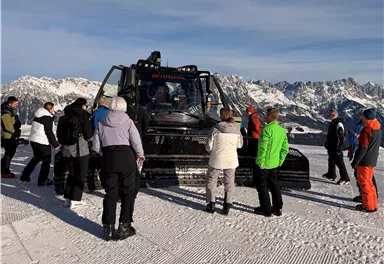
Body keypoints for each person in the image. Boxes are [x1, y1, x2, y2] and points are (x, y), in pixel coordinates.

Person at [93, 96, 145, 241]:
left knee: (110, 193)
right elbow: (136, 140)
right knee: (127, 193)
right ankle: (124, 227)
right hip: (126, 158)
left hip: (109, 159)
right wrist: (140, 154)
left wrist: (106, 153)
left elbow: (96, 146)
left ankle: (108, 228)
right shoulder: (128, 121)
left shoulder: (102, 122)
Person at [205, 107, 243, 215]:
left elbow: (208, 146)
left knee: (212, 179)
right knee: (229, 182)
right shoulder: (236, 130)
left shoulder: (215, 129)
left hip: (216, 158)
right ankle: (227, 204)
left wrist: (212, 150)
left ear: (221, 116)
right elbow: (239, 145)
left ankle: (211, 203)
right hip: (231, 160)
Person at [56, 98, 93, 209]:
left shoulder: (63, 117)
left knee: (71, 174)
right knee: (80, 175)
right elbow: (89, 135)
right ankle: (76, 199)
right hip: (80, 150)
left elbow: (59, 134)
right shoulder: (82, 116)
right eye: (86, 105)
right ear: (82, 106)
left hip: (66, 150)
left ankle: (67, 198)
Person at [254, 107, 289, 217]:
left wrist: (260, 162)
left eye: (266, 115)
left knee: (262, 186)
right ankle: (278, 208)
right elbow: (285, 148)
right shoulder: (282, 130)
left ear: (269, 117)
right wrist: (280, 160)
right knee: (274, 185)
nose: (264, 117)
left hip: (265, 163)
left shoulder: (266, 130)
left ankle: (266, 209)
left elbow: (263, 148)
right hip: (275, 162)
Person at [20, 102, 60, 185]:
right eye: (53, 108)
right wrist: (55, 144)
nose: (54, 110)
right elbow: (49, 132)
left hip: (34, 140)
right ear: (50, 109)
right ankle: (43, 180)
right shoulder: (47, 118)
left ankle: (25, 175)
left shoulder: (38, 116)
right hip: (42, 141)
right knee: (46, 161)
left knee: (36, 158)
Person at [351, 108, 381, 213]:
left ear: (366, 117)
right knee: (369, 183)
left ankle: (368, 206)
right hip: (372, 160)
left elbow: (363, 148)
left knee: (364, 183)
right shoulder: (377, 128)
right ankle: (373, 204)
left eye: (363, 116)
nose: (362, 117)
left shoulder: (367, 130)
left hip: (364, 161)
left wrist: (356, 162)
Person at [322, 109, 350, 185]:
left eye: (329, 114)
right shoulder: (333, 123)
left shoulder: (338, 124)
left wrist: (340, 148)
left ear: (334, 115)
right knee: (331, 161)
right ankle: (331, 175)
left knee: (339, 163)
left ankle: (345, 178)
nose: (328, 116)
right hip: (332, 147)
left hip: (336, 148)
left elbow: (342, 137)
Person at [0, 96, 21, 178]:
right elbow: (8, 127)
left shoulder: (6, 110)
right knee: (9, 153)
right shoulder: (6, 113)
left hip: (6, 136)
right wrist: (16, 132)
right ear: (10, 103)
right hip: (8, 136)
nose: (17, 105)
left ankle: (2, 167)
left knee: (9, 152)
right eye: (15, 104)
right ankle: (5, 171)